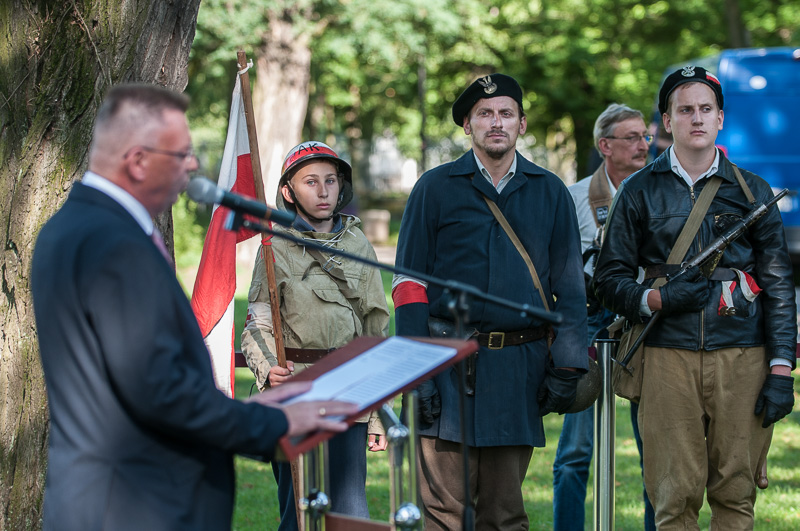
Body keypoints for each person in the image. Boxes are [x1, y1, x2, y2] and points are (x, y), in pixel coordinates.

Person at [30, 84, 358, 531]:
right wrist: (272, 422)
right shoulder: (111, 243)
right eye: (181, 155)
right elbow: (160, 392)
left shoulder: (73, 225)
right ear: (138, 160)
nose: (193, 166)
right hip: (134, 505)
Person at [593, 67, 796, 529]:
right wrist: (657, 301)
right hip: (666, 357)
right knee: (673, 501)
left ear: (721, 118)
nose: (696, 119)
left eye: (706, 109)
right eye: (685, 110)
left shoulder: (753, 192)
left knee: (736, 497)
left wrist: (781, 366)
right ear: (667, 121)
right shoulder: (637, 191)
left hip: (743, 356)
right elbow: (608, 279)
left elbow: (779, 286)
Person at [392, 73, 588, 530]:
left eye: (505, 113)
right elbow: (408, 284)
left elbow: (571, 289)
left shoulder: (550, 191)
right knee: (443, 515)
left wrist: (567, 364)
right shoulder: (435, 187)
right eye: (484, 114)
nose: (495, 122)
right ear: (468, 126)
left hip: (518, 369)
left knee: (504, 516)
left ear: (521, 123)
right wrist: (414, 371)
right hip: (443, 365)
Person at [241, 141, 391, 529]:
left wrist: (379, 413)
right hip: (296, 392)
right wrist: (268, 368)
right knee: (301, 512)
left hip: (350, 391)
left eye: (330, 180)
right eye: (310, 182)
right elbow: (257, 324)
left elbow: (376, 328)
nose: (323, 191)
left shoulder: (359, 244)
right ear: (289, 192)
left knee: (349, 512)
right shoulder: (275, 246)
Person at [553, 103, 656, 531]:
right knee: (575, 451)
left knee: (654, 447)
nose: (642, 145)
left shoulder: (658, 191)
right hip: (589, 323)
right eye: (630, 137)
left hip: (643, 322)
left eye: (645, 136)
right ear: (604, 146)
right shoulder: (573, 198)